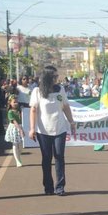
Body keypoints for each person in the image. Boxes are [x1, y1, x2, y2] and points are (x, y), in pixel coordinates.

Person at [29, 65, 75, 196]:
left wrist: (71, 122)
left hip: (59, 129)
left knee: (59, 157)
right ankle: (48, 187)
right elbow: (33, 110)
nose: (57, 78)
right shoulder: (37, 91)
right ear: (48, 77)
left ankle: (60, 187)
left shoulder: (60, 89)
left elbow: (65, 107)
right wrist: (32, 128)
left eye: (57, 76)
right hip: (43, 130)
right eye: (54, 76)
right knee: (46, 158)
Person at [4, 94, 24, 167]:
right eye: (14, 102)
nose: (16, 103)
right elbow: (14, 121)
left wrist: (22, 111)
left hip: (21, 126)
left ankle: (19, 156)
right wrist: (20, 130)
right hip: (14, 128)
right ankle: (17, 160)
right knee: (15, 144)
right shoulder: (10, 112)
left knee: (21, 145)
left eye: (17, 102)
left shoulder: (19, 110)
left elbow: (23, 117)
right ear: (10, 103)